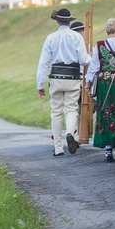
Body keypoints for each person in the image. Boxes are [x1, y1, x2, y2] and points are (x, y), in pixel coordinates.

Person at [37, 8, 92, 157]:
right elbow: (83, 59)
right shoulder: (76, 37)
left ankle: (58, 147)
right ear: (69, 21)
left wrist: (40, 85)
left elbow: (43, 63)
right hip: (73, 77)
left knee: (56, 112)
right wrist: (92, 58)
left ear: (57, 21)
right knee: (72, 108)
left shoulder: (50, 38)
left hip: (56, 77)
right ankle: (69, 133)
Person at [85, 18, 115, 162]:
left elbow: (94, 67)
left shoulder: (99, 46)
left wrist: (88, 84)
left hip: (105, 84)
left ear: (107, 31)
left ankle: (108, 150)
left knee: (106, 114)